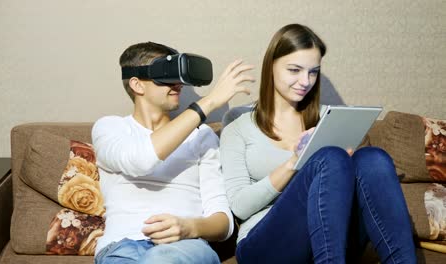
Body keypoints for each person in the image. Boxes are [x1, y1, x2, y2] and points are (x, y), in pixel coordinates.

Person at [220, 24, 417, 264]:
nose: (305, 81)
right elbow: (240, 206)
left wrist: (346, 168)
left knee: (372, 158)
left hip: (331, 236)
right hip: (264, 245)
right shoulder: (238, 125)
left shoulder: (329, 118)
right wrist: (295, 162)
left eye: (313, 72)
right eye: (295, 70)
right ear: (271, 65)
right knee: (330, 157)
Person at [92, 42, 254, 263]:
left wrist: (188, 227)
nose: (177, 84)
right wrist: (208, 103)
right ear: (137, 85)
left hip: (184, 247)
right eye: (166, 75)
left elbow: (223, 223)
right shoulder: (110, 128)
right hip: (120, 248)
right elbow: (141, 161)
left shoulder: (202, 136)